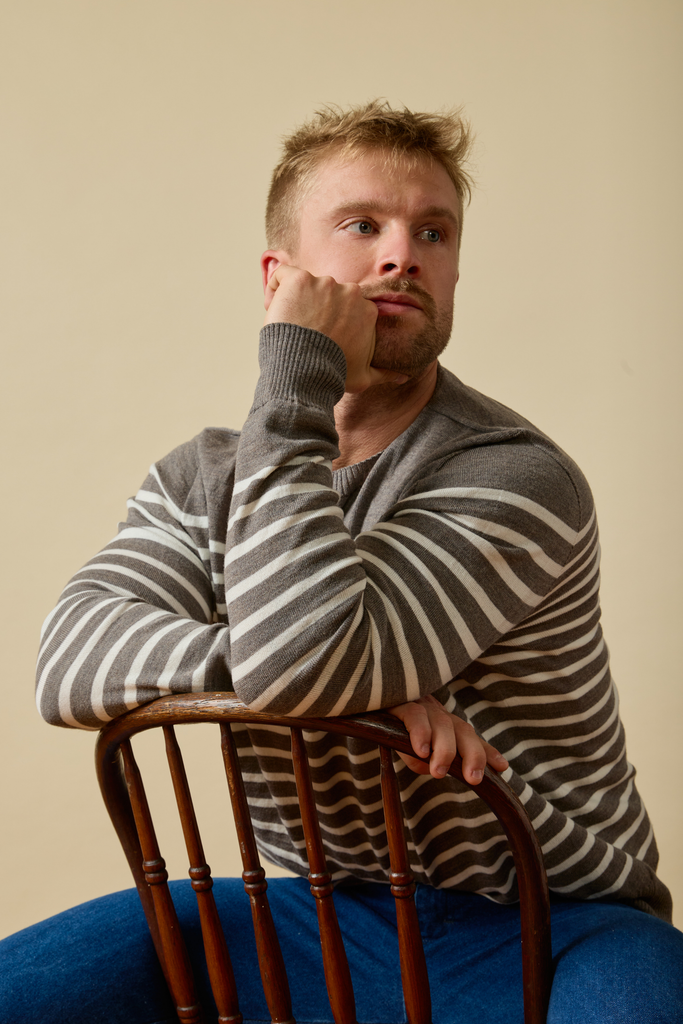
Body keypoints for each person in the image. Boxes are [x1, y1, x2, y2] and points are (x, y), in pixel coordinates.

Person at [4, 100, 682, 1022]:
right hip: (318, 910)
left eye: (432, 232)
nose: (402, 254)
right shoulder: (201, 477)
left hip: (555, 920)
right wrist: (333, 686)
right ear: (280, 278)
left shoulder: (518, 476)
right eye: (362, 225)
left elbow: (308, 663)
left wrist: (311, 674)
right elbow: (69, 665)